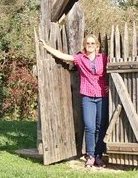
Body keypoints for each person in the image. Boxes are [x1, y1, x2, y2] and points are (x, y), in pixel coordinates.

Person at [39, 32, 109, 168]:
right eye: (88, 43)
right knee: (90, 127)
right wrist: (46, 47)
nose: (90, 45)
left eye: (92, 43)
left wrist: (110, 85)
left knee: (101, 127)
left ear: (97, 46)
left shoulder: (103, 58)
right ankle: (90, 155)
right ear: (84, 45)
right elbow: (63, 56)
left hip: (102, 96)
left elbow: (114, 70)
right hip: (87, 96)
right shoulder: (80, 58)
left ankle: (99, 155)